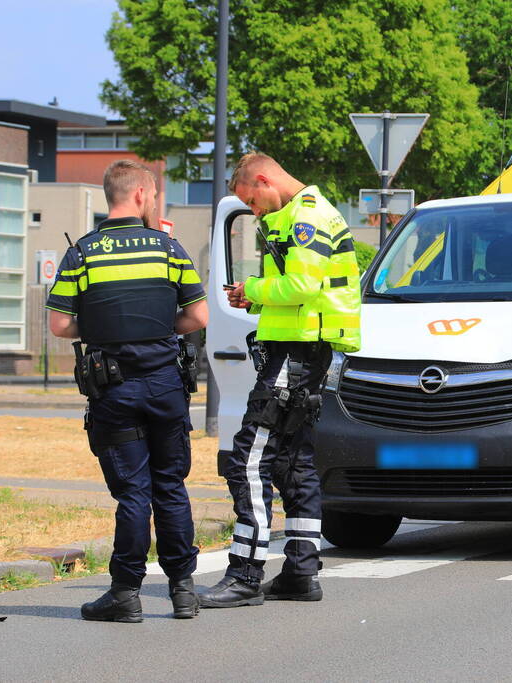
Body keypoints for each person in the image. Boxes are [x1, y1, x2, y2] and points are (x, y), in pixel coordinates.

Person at [47, 160, 208, 621]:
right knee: (171, 487)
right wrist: (158, 330)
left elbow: (60, 324)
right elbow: (198, 318)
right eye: (154, 194)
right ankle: (182, 592)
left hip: (113, 390)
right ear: (140, 194)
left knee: (133, 494)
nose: (155, 201)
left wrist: (102, 329)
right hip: (165, 387)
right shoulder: (168, 249)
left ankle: (125, 595)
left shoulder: (83, 252)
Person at [198, 152, 361, 607]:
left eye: (253, 201)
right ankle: (301, 572)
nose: (255, 212)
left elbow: (303, 287)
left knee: (247, 460)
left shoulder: (304, 218)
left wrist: (252, 289)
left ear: (265, 180)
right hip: (306, 351)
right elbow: (303, 290)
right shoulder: (304, 213)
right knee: (294, 462)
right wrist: (260, 302)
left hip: (294, 355)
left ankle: (245, 574)